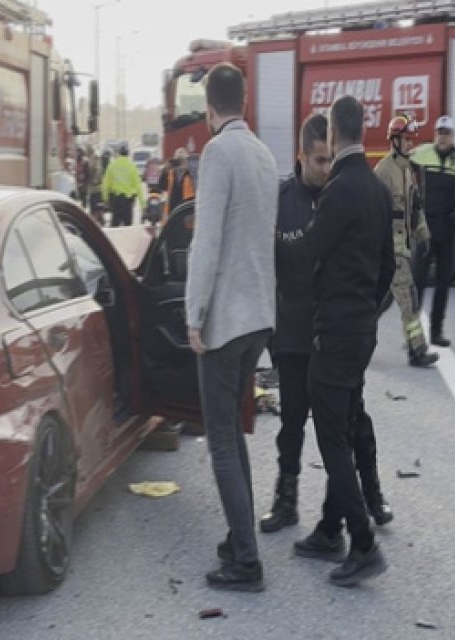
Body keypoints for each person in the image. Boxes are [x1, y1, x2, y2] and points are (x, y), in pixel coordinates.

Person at [259, 113, 392, 534]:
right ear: (300, 157)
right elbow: (267, 265)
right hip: (294, 334)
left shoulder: (343, 194)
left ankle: (370, 495)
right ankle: (286, 500)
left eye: (328, 157)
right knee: (293, 421)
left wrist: (363, 314)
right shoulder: (280, 200)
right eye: (318, 159)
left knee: (353, 423)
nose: (324, 165)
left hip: (334, 334)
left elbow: (381, 264)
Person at [288, 95, 392, 588]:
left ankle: (362, 542)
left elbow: (310, 249)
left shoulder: (339, 189)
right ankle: (330, 529)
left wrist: (277, 241)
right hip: (363, 330)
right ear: (363, 130)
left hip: (335, 331)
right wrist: (365, 311)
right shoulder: (375, 188)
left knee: (331, 438)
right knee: (345, 425)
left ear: (332, 134)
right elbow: (390, 268)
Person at [185, 62, 278, 592]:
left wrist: (194, 314)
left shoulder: (217, 153)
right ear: (242, 100)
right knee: (234, 434)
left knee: (221, 436)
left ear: (209, 109)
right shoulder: (263, 154)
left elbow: (207, 242)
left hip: (226, 318)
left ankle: (245, 561)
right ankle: (239, 537)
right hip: (260, 316)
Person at [374, 114, 439, 367]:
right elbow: (375, 213)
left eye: (411, 141)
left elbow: (415, 209)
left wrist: (424, 235)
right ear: (395, 140)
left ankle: (357, 335)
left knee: (383, 301)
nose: (411, 145)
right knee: (409, 299)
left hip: (404, 249)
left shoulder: (408, 172)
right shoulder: (384, 171)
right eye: (407, 140)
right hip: (391, 251)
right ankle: (417, 351)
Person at [411, 115, 455, 347]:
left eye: (447, 133)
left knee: (442, 281)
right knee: (417, 280)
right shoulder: (422, 153)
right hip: (425, 226)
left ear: (453, 136)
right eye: (439, 132)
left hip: (448, 227)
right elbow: (404, 170)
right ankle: (414, 333)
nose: (442, 136)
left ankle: (436, 331)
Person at [102, 144, 143, 227]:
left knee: (115, 227)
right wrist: (143, 204)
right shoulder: (132, 166)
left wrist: (105, 199)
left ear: (119, 153)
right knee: (128, 227)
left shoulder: (112, 165)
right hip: (128, 202)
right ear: (128, 153)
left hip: (115, 201)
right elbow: (138, 186)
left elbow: (105, 184)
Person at [158, 147, 196, 215]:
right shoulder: (171, 173)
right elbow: (161, 186)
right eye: (178, 160)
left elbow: (197, 187)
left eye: (182, 160)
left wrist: (189, 168)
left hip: (187, 210)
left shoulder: (191, 173)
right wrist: (165, 171)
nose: (180, 163)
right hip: (173, 210)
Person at [88, 149, 108, 223]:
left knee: (96, 209)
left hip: (95, 191)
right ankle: (99, 220)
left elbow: (95, 177)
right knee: (98, 208)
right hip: (98, 191)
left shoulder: (93, 163)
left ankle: (96, 221)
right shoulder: (99, 164)